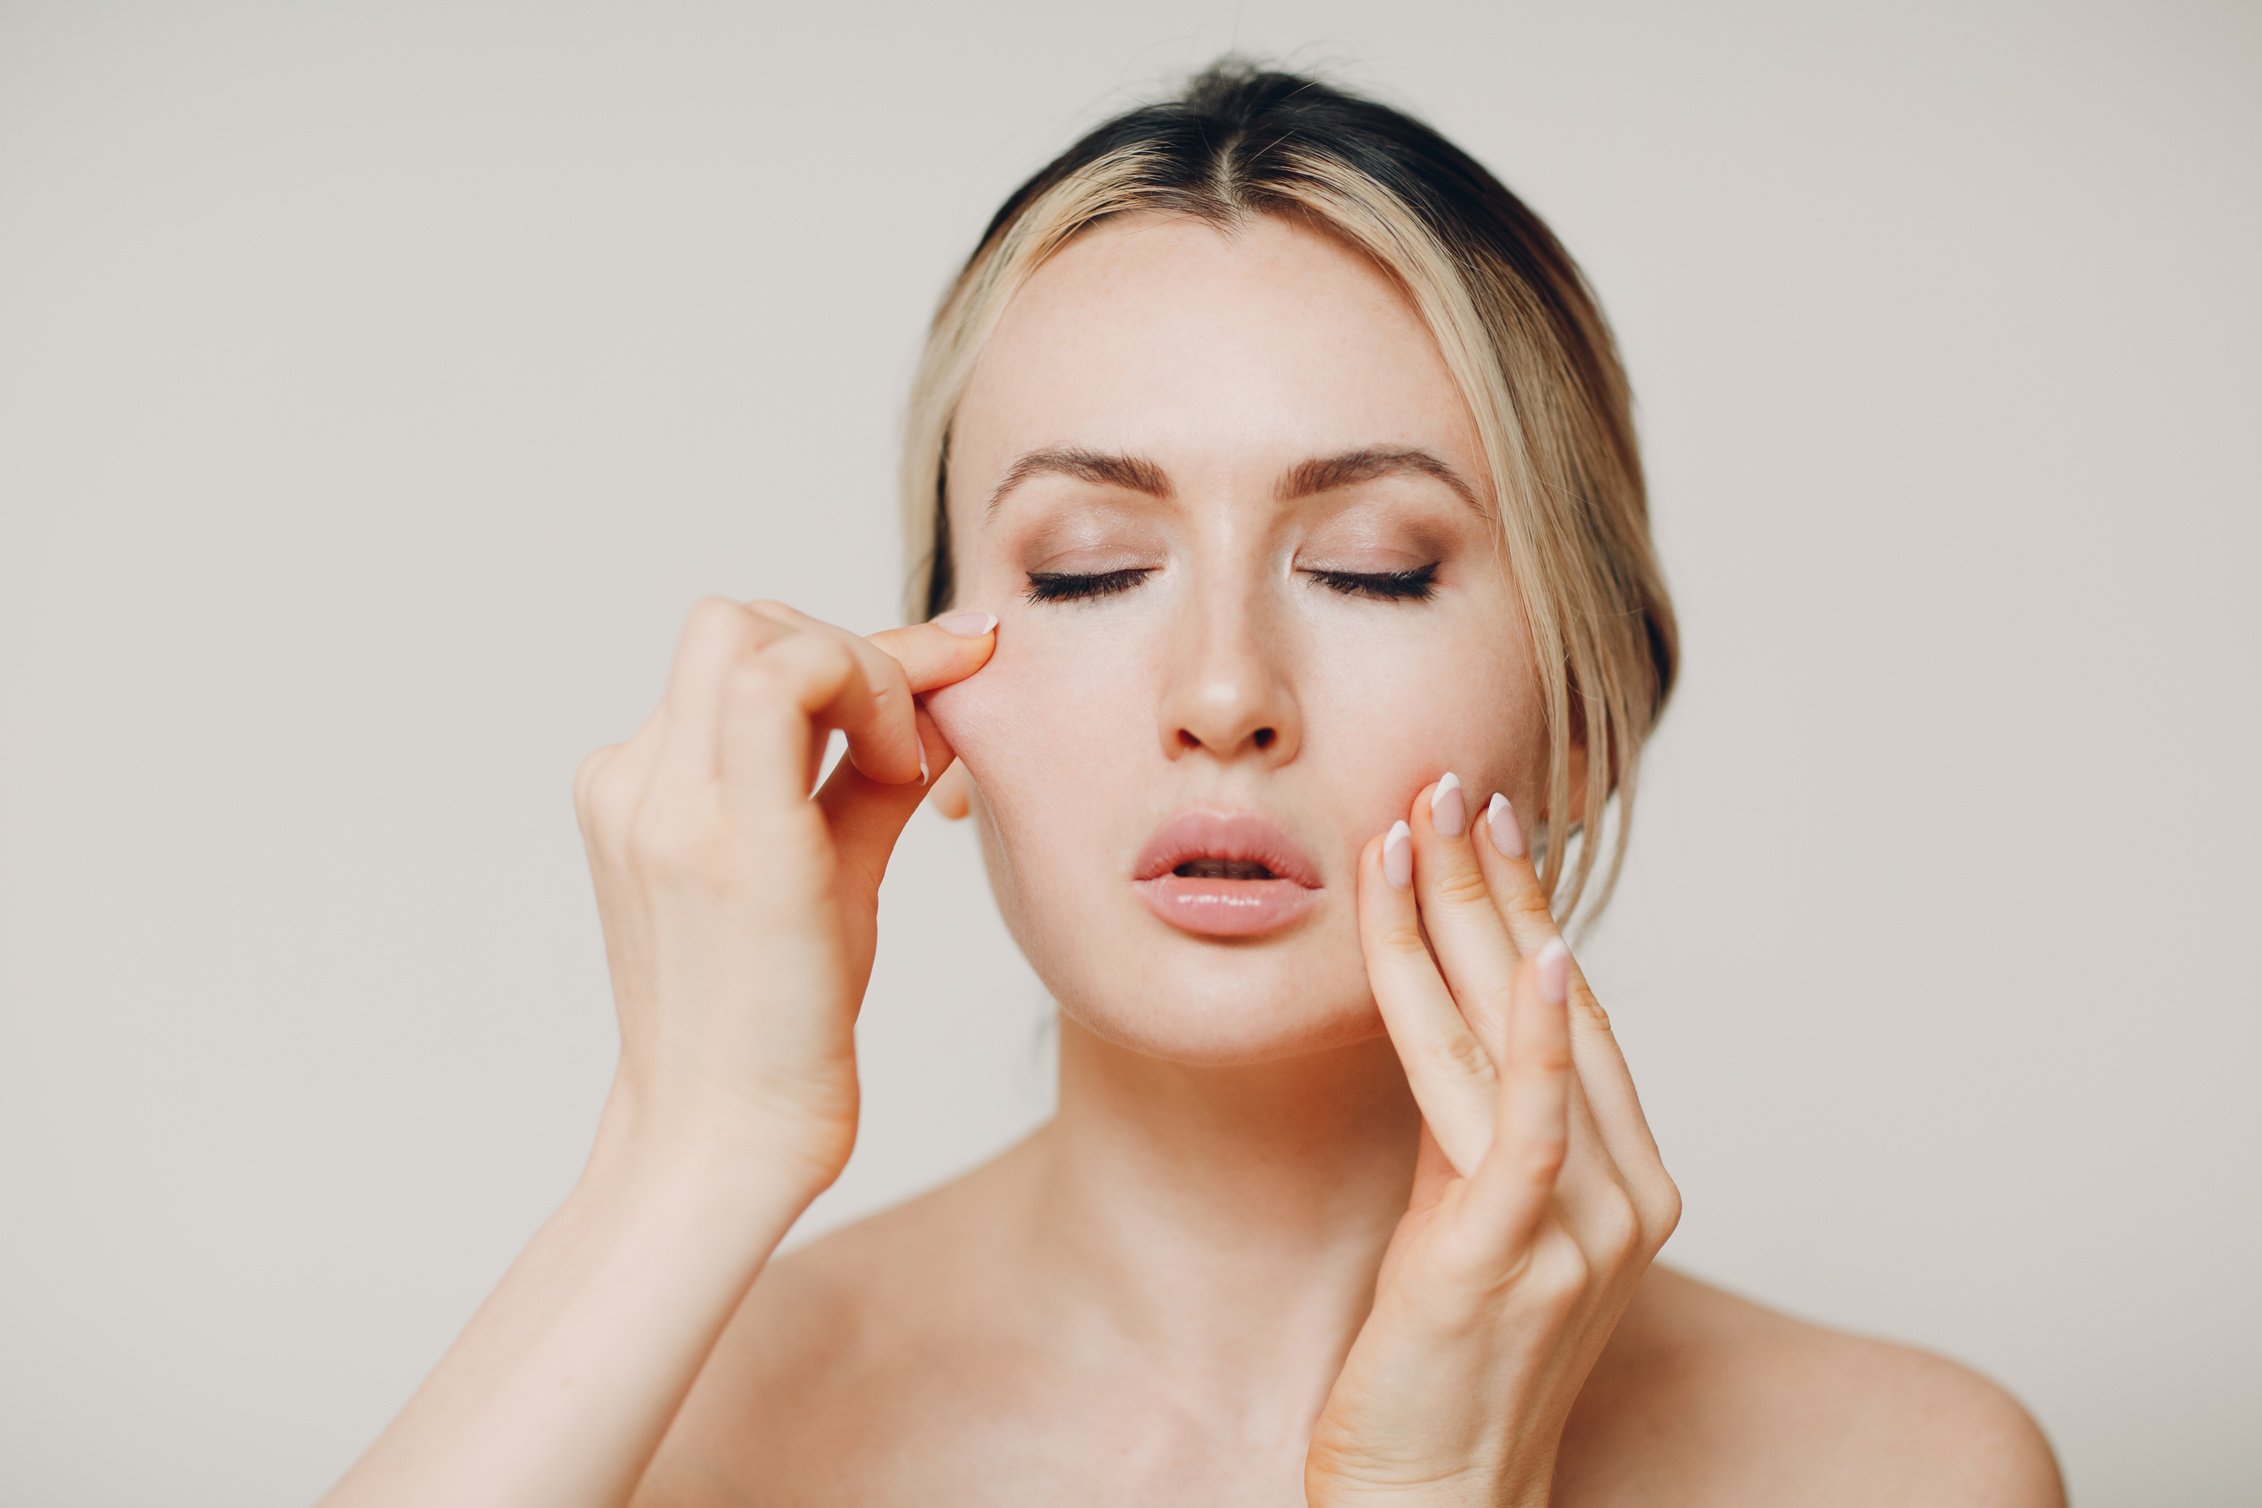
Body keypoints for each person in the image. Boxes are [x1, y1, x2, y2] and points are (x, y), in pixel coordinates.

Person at [317, 56, 2068, 1508]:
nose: (1223, 693)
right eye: (1084, 568)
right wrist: (688, 1150)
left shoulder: (1899, 1470)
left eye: (1375, 566)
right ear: (930, 693)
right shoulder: (665, 1438)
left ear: (1587, 715)